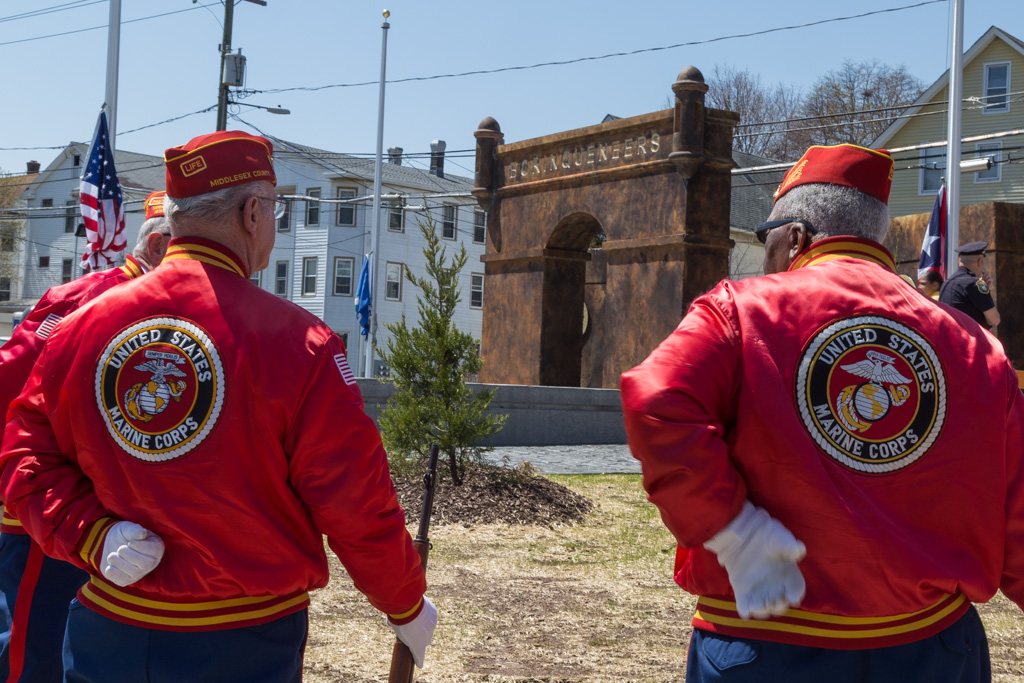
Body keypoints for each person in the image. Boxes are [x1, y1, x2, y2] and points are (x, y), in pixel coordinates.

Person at [0, 131, 435, 681]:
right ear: (252, 213)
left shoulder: (82, 329)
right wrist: (405, 603)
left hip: (108, 629)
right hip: (242, 640)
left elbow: (23, 457)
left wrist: (92, 532)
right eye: (275, 211)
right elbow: (353, 500)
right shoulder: (301, 343)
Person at [621, 144, 1024, 682]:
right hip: (930, 649)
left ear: (795, 236)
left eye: (767, 239)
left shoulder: (739, 311)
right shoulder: (975, 346)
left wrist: (732, 528)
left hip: (766, 648)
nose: (766, 256)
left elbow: (656, 399)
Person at [0, 190, 170, 682]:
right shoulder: (84, 299)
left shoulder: (185, 312)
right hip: (53, 511)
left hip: (126, 524)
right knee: (33, 650)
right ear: (158, 247)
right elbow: (11, 389)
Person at [939, 241, 1000, 329]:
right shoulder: (975, 284)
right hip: (968, 341)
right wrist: (984, 289)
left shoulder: (946, 283)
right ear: (979, 261)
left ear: (960, 261)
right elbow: (994, 320)